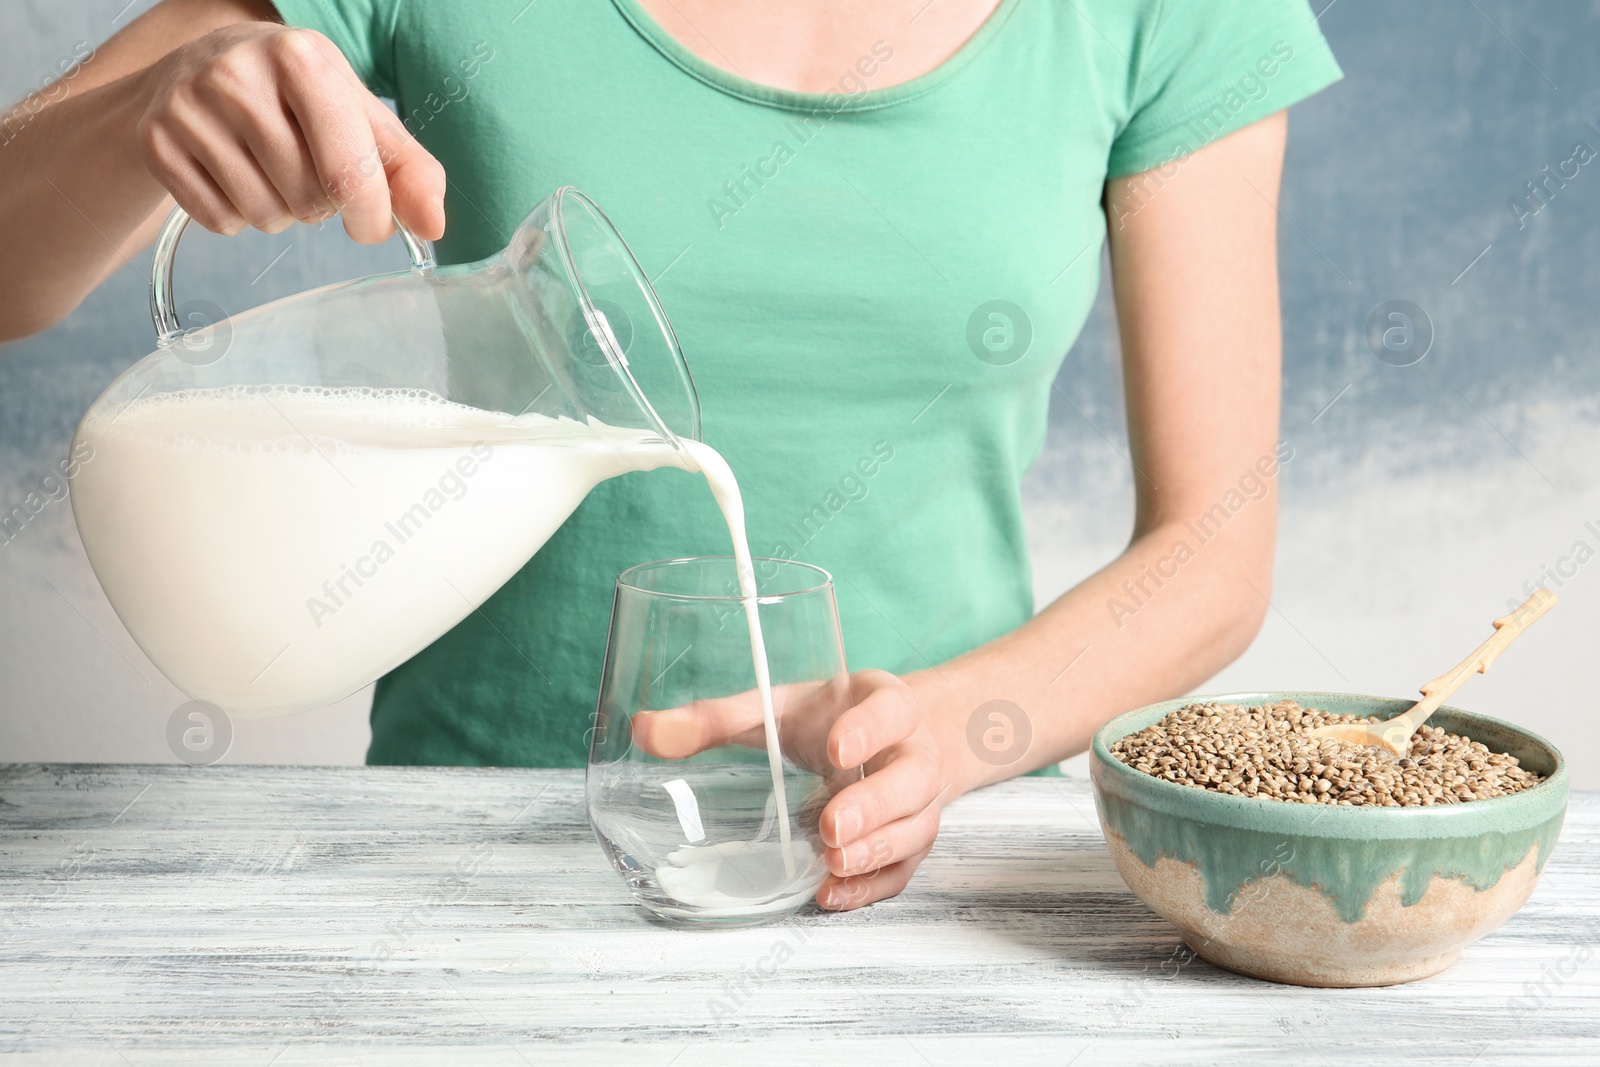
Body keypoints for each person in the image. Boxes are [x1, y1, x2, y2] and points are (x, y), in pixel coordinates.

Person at [0, 0, 1340, 911]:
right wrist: (144, 116)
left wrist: (947, 732)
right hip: (455, 868)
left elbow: (1215, 548)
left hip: (946, 883)